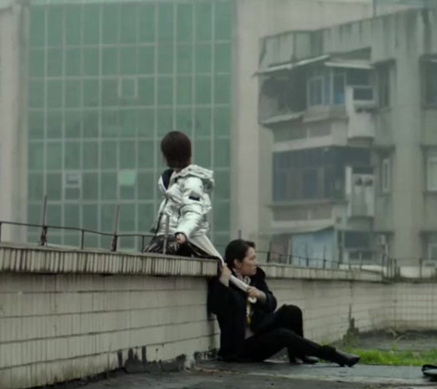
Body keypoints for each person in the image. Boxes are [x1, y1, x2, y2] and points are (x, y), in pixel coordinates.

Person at [208, 238, 360, 366]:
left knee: (292, 311)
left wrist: (261, 295)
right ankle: (333, 355)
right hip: (240, 347)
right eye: (252, 259)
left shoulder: (255, 278)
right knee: (283, 335)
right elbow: (218, 307)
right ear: (237, 262)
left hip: (258, 330)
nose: (255, 262)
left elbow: (271, 305)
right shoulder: (227, 281)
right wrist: (224, 280)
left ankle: (298, 355)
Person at [147, 131, 221, 260]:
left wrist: (183, 232)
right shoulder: (172, 179)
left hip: (180, 241)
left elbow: (194, 211)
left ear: (167, 155)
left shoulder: (191, 181)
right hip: (166, 238)